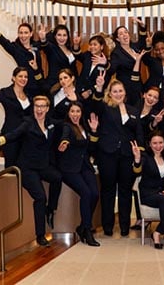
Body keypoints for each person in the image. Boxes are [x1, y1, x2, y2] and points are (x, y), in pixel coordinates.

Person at [0, 95, 62, 247]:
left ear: (47, 109)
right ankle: (40, 235)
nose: (39, 109)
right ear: (34, 108)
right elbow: (12, 135)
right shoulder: (28, 123)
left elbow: (65, 126)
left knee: (57, 178)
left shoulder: (51, 124)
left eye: (43, 106)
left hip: (43, 166)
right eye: (37, 106)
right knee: (40, 197)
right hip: (27, 167)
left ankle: (51, 209)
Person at [92, 71, 144, 237]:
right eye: (115, 91)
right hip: (107, 154)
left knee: (125, 191)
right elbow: (95, 104)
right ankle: (107, 227)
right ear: (110, 93)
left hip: (127, 155)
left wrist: (139, 152)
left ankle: (124, 226)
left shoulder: (133, 110)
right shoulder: (105, 108)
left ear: (125, 92)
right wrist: (99, 88)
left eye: (120, 91)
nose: (118, 94)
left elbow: (139, 134)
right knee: (107, 190)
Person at [57, 102, 100, 246]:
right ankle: (87, 230)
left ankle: (82, 227)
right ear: (68, 113)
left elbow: (92, 149)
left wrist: (94, 132)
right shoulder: (67, 126)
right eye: (72, 111)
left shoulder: (84, 127)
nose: (75, 114)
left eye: (78, 111)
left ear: (81, 113)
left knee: (94, 194)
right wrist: (64, 142)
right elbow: (65, 137)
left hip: (85, 166)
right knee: (86, 193)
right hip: (69, 168)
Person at [131, 134, 164, 251]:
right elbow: (137, 170)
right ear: (150, 145)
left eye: (160, 142)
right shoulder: (146, 157)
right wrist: (137, 159)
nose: (158, 146)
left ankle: (157, 233)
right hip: (148, 193)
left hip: (163, 193)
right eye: (155, 143)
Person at [0, 10, 46, 97]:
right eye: (21, 33)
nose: (23, 36)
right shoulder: (15, 48)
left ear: (31, 34)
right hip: (25, 87)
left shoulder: (36, 45)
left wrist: (43, 38)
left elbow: (50, 42)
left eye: (26, 33)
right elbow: (2, 40)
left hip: (40, 85)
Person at [0, 68, 33, 167]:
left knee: (24, 166)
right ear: (13, 78)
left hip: (26, 135)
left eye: (26, 77)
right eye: (20, 76)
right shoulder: (5, 93)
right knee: (11, 165)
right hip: (10, 135)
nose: (23, 79)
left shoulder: (29, 94)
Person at [107, 19, 149, 101]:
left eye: (126, 32)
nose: (124, 35)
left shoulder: (135, 47)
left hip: (137, 84)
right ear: (118, 39)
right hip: (125, 88)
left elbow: (142, 41)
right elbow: (111, 70)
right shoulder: (116, 53)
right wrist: (105, 63)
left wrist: (142, 26)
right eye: (121, 34)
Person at [38, 23, 81, 88]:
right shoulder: (52, 48)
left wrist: (76, 45)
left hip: (70, 85)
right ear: (55, 36)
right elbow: (45, 46)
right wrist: (43, 39)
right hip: (55, 85)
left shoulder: (69, 49)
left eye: (64, 35)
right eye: (59, 35)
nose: (62, 38)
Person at [75, 34, 110, 103]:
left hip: (94, 96)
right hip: (79, 91)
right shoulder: (87, 55)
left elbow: (105, 81)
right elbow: (78, 55)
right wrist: (76, 45)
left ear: (102, 47)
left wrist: (90, 91)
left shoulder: (106, 63)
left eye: (95, 44)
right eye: (90, 44)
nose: (92, 47)